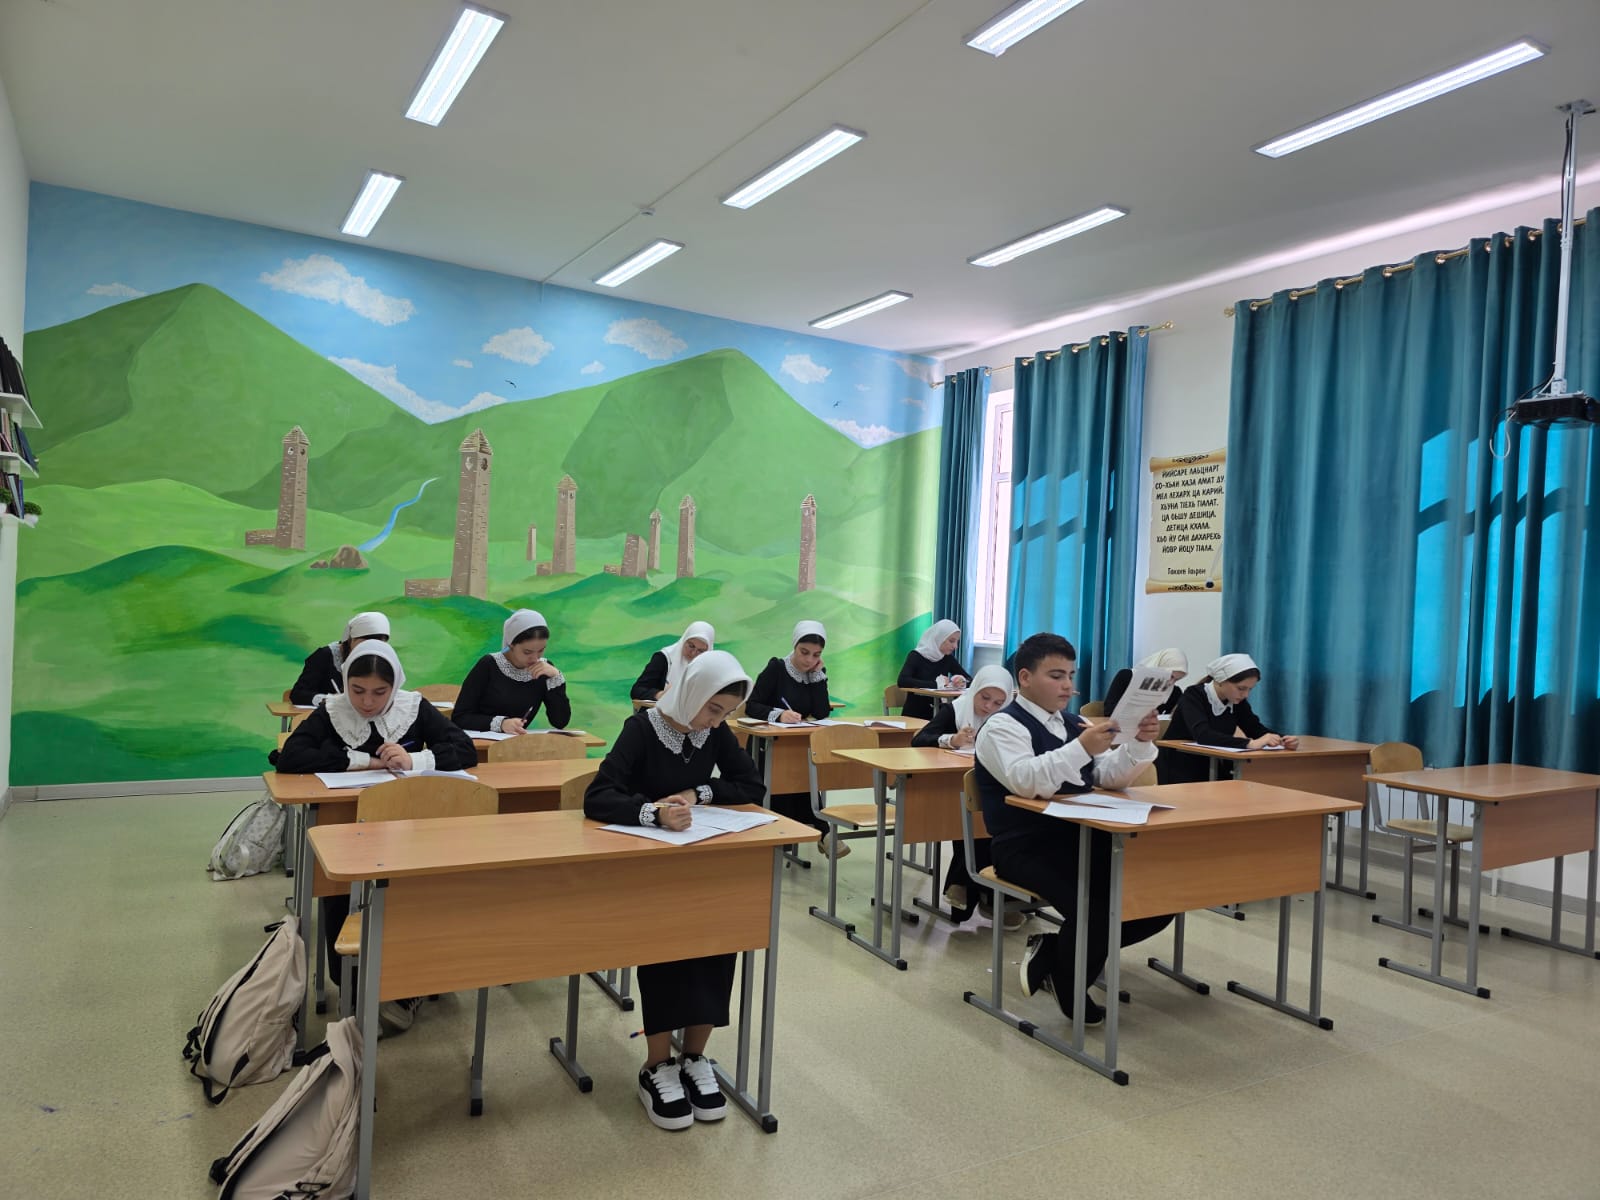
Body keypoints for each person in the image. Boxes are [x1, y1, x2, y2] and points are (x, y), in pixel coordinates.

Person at [583, 651, 764, 1131]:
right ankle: (656, 1064)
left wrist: (697, 794)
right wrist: (654, 814)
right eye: (713, 709)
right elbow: (597, 796)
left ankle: (695, 1057)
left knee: (718, 943)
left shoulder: (712, 733)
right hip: (648, 868)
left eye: (725, 713)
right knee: (666, 952)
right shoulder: (642, 729)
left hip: (703, 861)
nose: (716, 722)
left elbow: (751, 784)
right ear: (691, 693)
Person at [274, 640, 476, 1032]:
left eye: (380, 692)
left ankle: (409, 985)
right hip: (348, 835)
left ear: (395, 685)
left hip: (409, 834)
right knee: (340, 896)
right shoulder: (333, 710)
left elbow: (464, 749)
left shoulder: (412, 707)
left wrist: (415, 759)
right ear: (346, 683)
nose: (367, 702)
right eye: (358, 690)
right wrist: (363, 761)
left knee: (416, 897)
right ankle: (349, 985)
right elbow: (290, 757)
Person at [973, 632, 1174, 1026]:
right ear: (1025, 678)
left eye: (1071, 675)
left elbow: (1105, 777)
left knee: (1156, 898)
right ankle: (1070, 978)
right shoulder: (1002, 727)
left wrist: (1137, 744)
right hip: (1024, 845)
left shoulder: (1072, 723)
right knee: (1096, 906)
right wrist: (1082, 746)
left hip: (1082, 836)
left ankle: (1055, 952)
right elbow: (1026, 781)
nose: (1068, 686)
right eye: (1056, 676)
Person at [912, 664, 1018, 927]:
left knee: (996, 826)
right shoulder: (956, 710)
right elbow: (919, 740)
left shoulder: (1008, 719)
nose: (989, 707)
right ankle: (982, 894)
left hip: (992, 790)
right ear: (975, 690)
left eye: (998, 703)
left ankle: (967, 886)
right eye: (984, 698)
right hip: (952, 789)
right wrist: (951, 739)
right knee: (974, 821)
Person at [746, 621, 837, 853]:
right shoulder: (776, 668)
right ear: (794, 646)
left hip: (797, 746)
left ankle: (821, 832)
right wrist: (779, 714)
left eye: (816, 655)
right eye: (804, 652)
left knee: (804, 772)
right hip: (769, 747)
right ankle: (819, 833)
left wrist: (817, 677)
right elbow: (752, 705)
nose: (809, 660)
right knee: (795, 773)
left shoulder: (815, 673)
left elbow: (821, 712)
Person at [1158, 653, 1300, 785]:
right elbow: (1203, 735)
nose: (1246, 695)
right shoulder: (1193, 695)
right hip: (1178, 765)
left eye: (1250, 689)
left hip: (1211, 762)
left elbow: (1255, 728)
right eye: (1241, 688)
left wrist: (1283, 739)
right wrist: (1249, 744)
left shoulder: (1236, 701)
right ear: (1221, 681)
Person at [454, 608, 571, 733]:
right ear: (511, 645)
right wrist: (501, 724)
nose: (535, 658)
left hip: (518, 743)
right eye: (527, 652)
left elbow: (560, 722)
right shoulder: (489, 665)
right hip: (481, 742)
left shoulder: (544, 670)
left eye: (541, 650)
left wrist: (556, 678)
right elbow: (460, 717)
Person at [288, 611, 390, 706]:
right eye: (366, 643)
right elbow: (298, 694)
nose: (370, 649)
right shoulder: (324, 656)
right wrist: (330, 700)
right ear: (351, 639)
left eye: (378, 645)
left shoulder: (382, 659)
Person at [897, 619, 970, 720]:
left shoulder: (947, 658)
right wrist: (936, 685)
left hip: (939, 715)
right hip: (915, 714)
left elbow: (970, 680)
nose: (955, 646)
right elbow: (902, 681)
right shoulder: (916, 656)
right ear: (939, 638)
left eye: (957, 642)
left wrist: (962, 681)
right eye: (951, 641)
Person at [631, 621, 714, 701]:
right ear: (684, 640)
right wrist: (659, 695)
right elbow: (636, 690)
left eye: (701, 651)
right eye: (691, 646)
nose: (693, 653)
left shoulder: (708, 669)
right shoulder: (664, 658)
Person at [1100, 648, 1189, 716]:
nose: (1171, 683)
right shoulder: (1126, 677)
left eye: (1176, 680)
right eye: (1171, 676)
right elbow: (1109, 710)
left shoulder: (1175, 692)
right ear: (1160, 667)